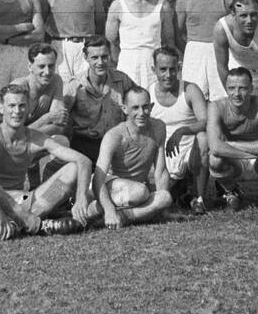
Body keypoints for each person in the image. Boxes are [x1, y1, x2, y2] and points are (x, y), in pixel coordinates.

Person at [0, 83, 93, 238]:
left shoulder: (34, 137)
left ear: (27, 108)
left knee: (73, 168)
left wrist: (81, 198)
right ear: (1, 108)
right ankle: (33, 223)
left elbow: (83, 161)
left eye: (21, 106)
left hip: (23, 201)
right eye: (11, 106)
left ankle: (25, 222)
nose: (17, 111)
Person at [86, 87, 174, 228]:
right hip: (110, 186)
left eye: (145, 107)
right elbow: (98, 177)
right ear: (125, 109)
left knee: (165, 197)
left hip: (135, 192)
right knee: (140, 192)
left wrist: (163, 211)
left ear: (151, 107)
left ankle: (123, 217)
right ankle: (94, 209)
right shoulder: (114, 136)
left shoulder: (158, 128)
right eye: (135, 108)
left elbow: (161, 171)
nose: (141, 113)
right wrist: (109, 210)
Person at [206, 67, 258, 211]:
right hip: (236, 161)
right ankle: (231, 192)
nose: (236, 94)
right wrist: (255, 150)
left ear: (252, 88)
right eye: (231, 88)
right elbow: (215, 147)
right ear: (226, 89)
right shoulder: (216, 106)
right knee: (215, 159)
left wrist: (232, 144)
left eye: (242, 88)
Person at [149, 46, 209, 214]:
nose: (168, 75)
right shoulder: (148, 94)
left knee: (204, 138)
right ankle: (183, 192)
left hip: (190, 151)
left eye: (172, 69)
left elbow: (206, 121)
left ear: (179, 68)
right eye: (163, 69)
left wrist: (182, 130)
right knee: (162, 199)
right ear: (153, 69)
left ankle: (199, 199)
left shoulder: (190, 90)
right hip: (163, 156)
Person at [174, 0, 238, 99]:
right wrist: (190, 50)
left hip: (222, 51)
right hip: (194, 53)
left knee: (224, 97)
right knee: (193, 98)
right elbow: (177, 32)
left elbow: (238, 29)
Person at [61, 35, 136, 163]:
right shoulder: (74, 85)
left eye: (104, 57)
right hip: (83, 146)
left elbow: (137, 105)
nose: (100, 63)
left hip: (116, 144)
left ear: (110, 56)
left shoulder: (122, 81)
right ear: (86, 58)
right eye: (95, 58)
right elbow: (61, 118)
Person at [106, 0, 175, 91]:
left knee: (154, 106)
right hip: (127, 64)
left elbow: (169, 41)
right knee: (127, 104)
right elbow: (111, 40)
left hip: (154, 65)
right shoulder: (117, 6)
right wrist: (120, 62)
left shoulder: (163, 6)